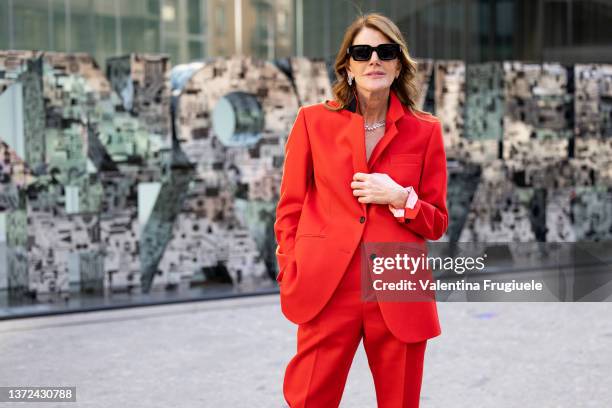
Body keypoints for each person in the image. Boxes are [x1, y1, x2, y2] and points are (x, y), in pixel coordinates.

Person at [274, 12, 449, 408]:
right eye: (363, 52)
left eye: (385, 52)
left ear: (398, 64)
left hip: (398, 288)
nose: (374, 60)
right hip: (327, 287)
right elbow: (290, 208)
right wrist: (290, 266)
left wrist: (400, 198)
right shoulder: (311, 122)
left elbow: (437, 221)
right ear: (347, 65)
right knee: (308, 399)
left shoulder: (425, 131)